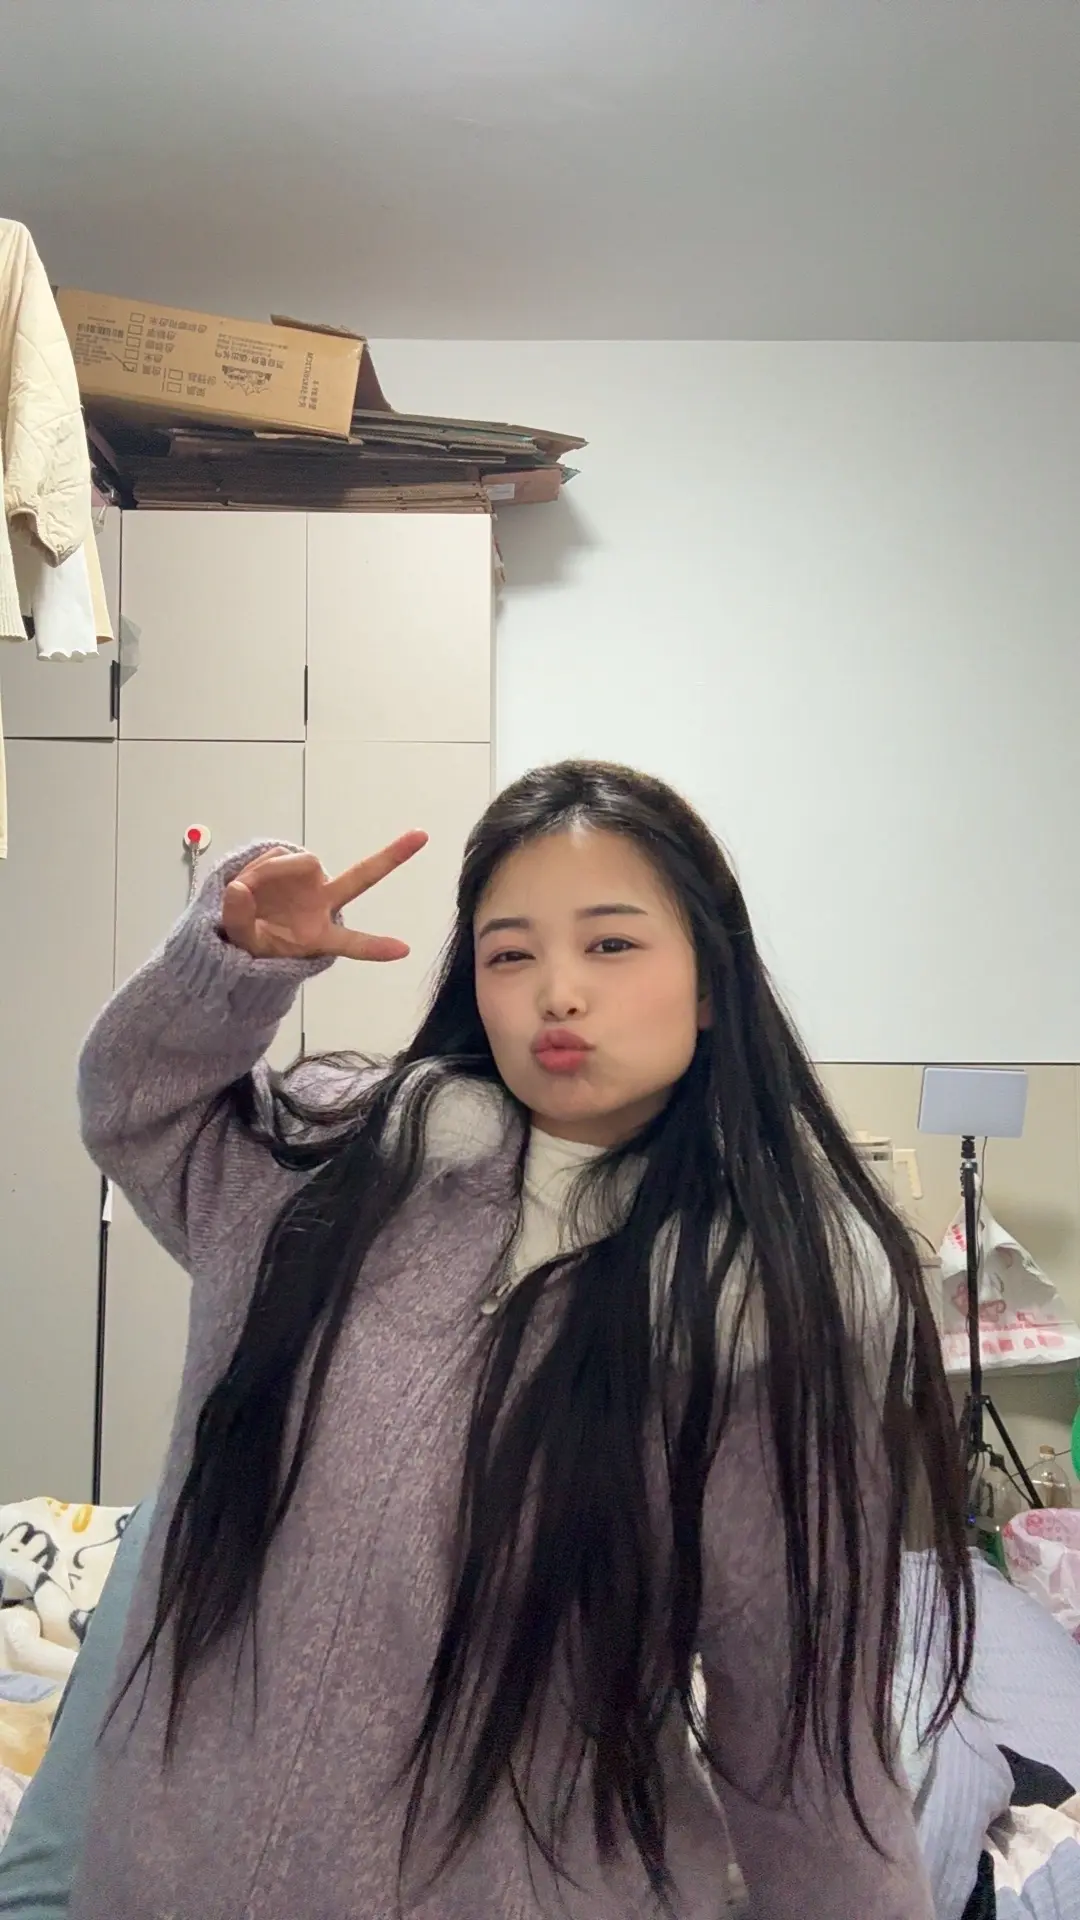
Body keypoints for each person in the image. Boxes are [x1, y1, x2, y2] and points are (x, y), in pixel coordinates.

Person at [67, 760, 973, 1919]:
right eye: (510, 955)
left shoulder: (750, 1325)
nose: (558, 993)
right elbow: (140, 1112)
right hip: (159, 1880)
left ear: (710, 984)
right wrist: (229, 972)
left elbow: (804, 1755)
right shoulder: (333, 1174)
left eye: (610, 944)